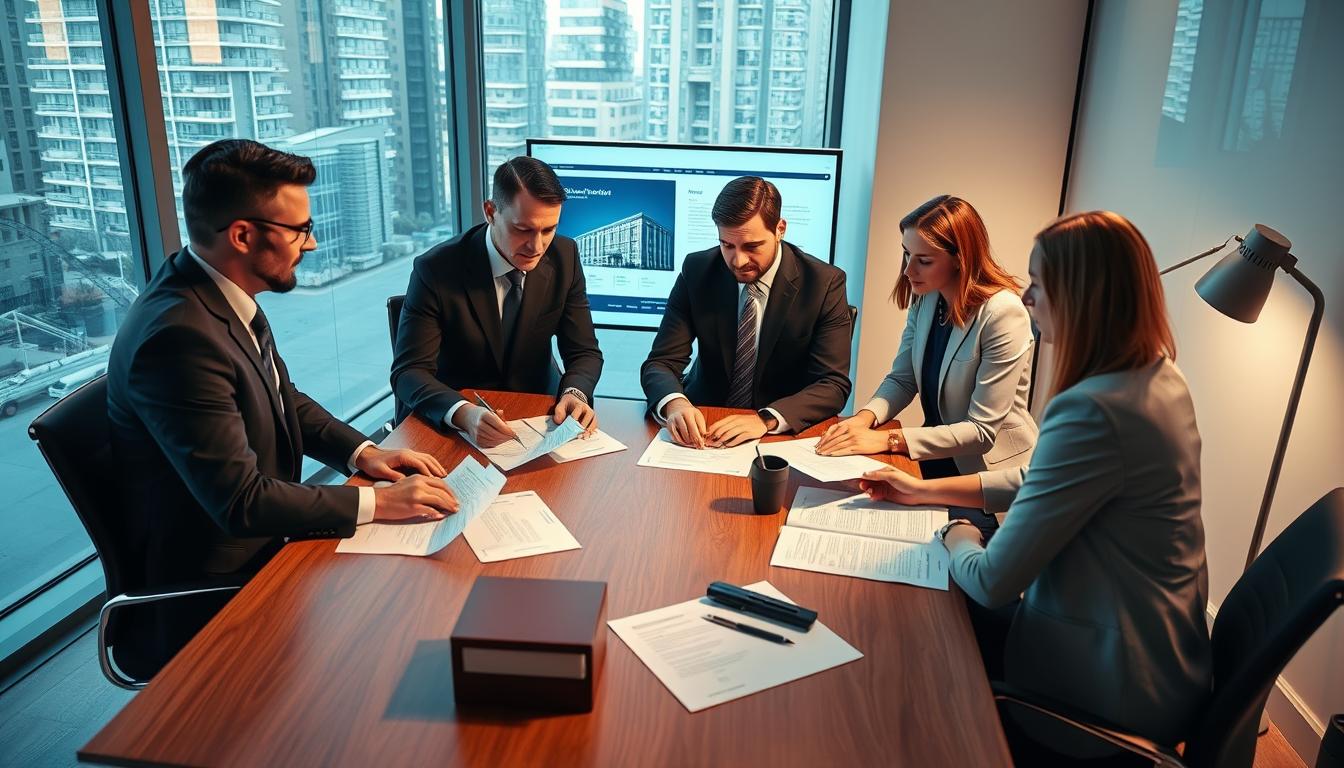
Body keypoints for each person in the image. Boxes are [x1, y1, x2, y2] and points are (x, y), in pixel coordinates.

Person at [860, 211, 1210, 761]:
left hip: (1104, 685)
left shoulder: (1093, 409)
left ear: (1083, 297)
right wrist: (922, 492)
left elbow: (992, 582)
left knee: (904, 635)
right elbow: (1037, 478)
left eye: (1040, 285)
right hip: (1159, 654)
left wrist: (954, 533)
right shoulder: (1158, 376)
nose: (1026, 298)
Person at [108, 139, 458, 676]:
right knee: (396, 644)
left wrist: (363, 453)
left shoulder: (216, 290)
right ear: (242, 236)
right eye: (299, 229)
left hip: (269, 544)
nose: (311, 243)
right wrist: (379, 503)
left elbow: (280, 395)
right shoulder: (177, 338)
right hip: (221, 589)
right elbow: (242, 504)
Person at [816, 195, 1036, 486]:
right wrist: (863, 419)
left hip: (989, 474)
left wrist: (886, 439)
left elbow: (981, 431)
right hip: (937, 455)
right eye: (907, 254)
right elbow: (902, 379)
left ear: (960, 259)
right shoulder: (928, 297)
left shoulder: (1004, 313)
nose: (908, 270)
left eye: (924, 260)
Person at [391, 157, 603, 447]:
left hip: (539, 417)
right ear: (490, 212)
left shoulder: (564, 256)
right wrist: (462, 413)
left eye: (548, 230)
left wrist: (575, 393)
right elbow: (408, 373)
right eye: (523, 229)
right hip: (457, 427)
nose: (537, 246)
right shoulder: (436, 269)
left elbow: (584, 351)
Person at [640, 176, 852, 447]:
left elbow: (833, 384)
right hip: (704, 425)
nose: (738, 261)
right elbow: (660, 363)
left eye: (752, 246)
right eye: (727, 245)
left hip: (779, 435)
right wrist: (675, 404)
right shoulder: (697, 270)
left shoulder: (824, 283)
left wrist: (765, 419)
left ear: (780, 229)